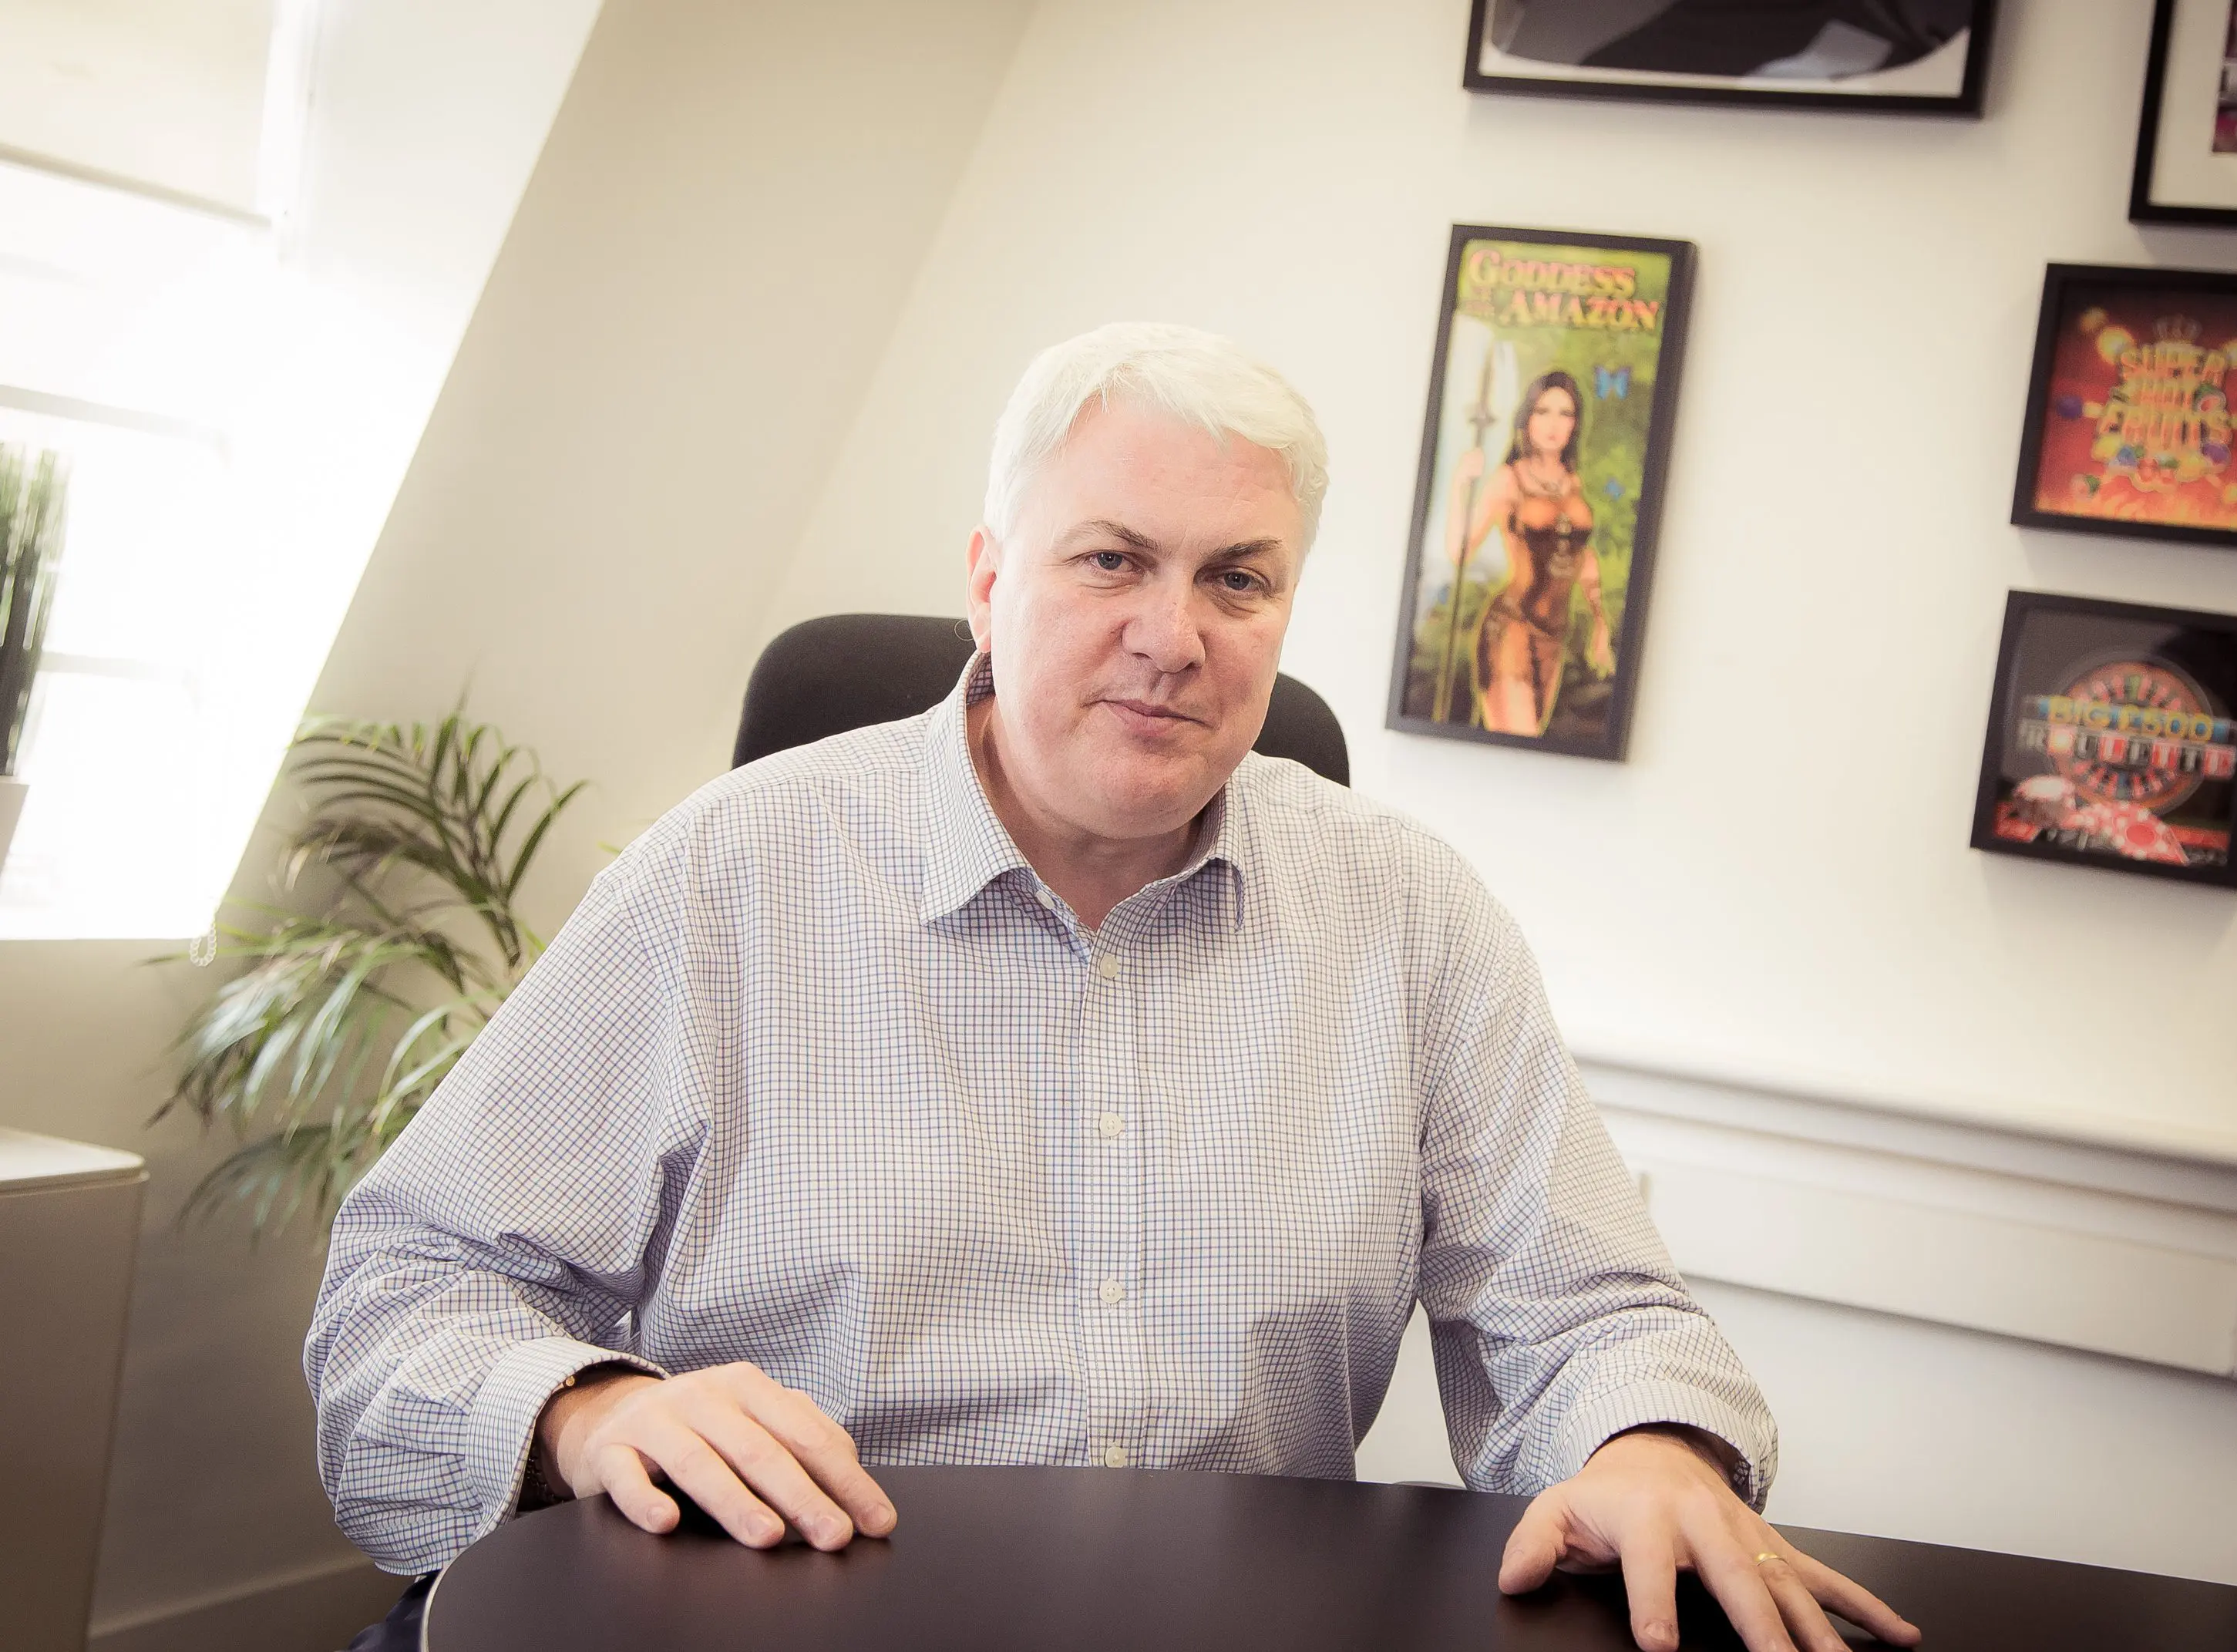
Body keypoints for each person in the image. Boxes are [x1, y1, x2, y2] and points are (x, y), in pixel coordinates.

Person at [311, 322, 1918, 1652]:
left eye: (1238, 580)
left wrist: (1647, 1441)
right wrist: (584, 1407)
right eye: (1112, 561)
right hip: (771, 1621)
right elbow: (405, 1293)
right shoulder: (723, 877)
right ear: (988, 580)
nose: (1175, 635)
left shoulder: (1410, 916)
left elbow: (1592, 1305)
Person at [1445, 369, 1616, 737]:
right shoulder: (1509, 480)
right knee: (1515, 741)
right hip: (1512, 628)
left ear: (1575, 423)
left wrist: (1601, 622)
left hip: (1555, 635)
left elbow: (1583, 559)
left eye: (1565, 413)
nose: (1554, 424)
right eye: (1543, 411)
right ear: (1527, 417)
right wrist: (1460, 485)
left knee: (1529, 743)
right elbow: (1459, 552)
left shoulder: (1573, 482)